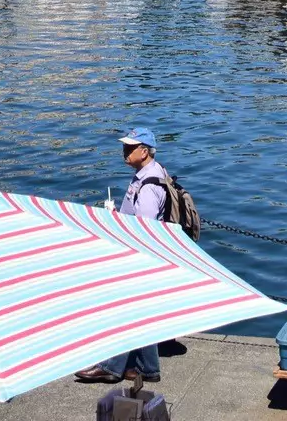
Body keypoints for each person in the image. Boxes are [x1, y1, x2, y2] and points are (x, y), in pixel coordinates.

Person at [73, 127, 170, 385]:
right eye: (125, 146)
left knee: (123, 307)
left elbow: (145, 227)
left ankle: (110, 367)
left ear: (145, 151)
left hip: (141, 253)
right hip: (150, 254)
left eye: (130, 147)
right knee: (140, 310)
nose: (124, 151)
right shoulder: (152, 173)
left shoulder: (148, 185)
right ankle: (147, 368)